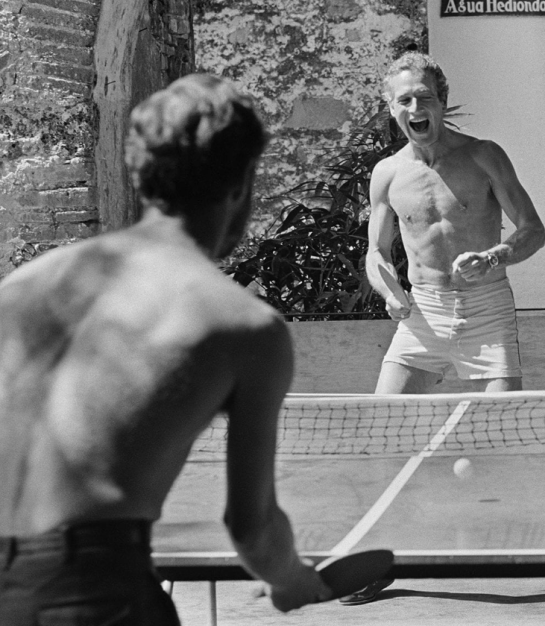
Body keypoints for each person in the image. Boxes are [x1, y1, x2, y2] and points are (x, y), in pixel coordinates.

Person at [0, 74, 337, 623]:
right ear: (241, 185)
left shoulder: (22, 287)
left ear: (140, 175)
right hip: (92, 594)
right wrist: (292, 578)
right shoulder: (243, 325)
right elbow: (252, 529)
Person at [343, 52, 545, 604]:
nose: (415, 107)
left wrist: (496, 255)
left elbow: (533, 229)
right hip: (422, 316)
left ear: (442, 102)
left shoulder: (483, 156)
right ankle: (378, 560)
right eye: (404, 100)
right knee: (381, 436)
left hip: (486, 309)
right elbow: (376, 253)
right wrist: (390, 291)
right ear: (391, 109)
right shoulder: (387, 173)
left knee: (497, 446)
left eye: (425, 98)